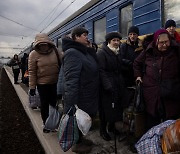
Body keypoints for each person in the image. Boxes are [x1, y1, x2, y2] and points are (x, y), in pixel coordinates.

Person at [133, 29, 180, 131]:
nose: (164, 45)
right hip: (151, 92)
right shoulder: (148, 51)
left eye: (166, 42)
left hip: (171, 92)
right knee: (152, 122)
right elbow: (136, 63)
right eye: (161, 42)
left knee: (171, 124)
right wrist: (138, 76)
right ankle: (152, 144)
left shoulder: (176, 50)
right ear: (155, 42)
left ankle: (169, 145)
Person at [62, 27, 99, 153]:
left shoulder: (83, 52)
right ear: (76, 37)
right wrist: (71, 103)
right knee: (77, 121)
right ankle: (76, 145)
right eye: (84, 35)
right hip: (81, 96)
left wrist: (89, 49)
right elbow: (71, 80)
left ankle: (81, 140)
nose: (87, 37)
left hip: (88, 94)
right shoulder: (72, 53)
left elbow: (95, 64)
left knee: (84, 120)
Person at [28, 33, 61, 133]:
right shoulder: (33, 54)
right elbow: (32, 71)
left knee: (54, 104)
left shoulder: (55, 51)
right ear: (37, 44)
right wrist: (32, 87)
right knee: (45, 104)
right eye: (41, 44)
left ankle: (53, 123)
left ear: (49, 43)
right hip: (42, 84)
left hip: (55, 83)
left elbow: (63, 61)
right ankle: (46, 124)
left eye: (45, 44)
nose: (43, 46)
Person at [97, 32, 126, 141]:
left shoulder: (118, 52)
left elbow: (120, 66)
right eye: (114, 40)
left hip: (117, 83)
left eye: (118, 40)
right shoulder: (102, 53)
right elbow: (101, 70)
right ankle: (102, 130)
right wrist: (107, 85)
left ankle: (112, 128)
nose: (116, 42)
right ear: (109, 41)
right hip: (107, 86)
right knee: (105, 109)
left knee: (116, 107)